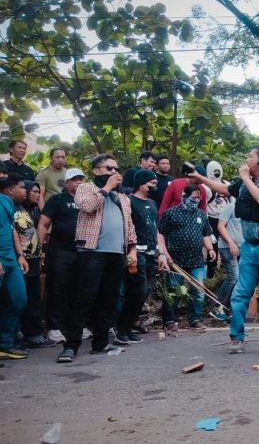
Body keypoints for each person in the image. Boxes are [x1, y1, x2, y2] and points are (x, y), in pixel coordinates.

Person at [191, 145, 259, 357]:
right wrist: (200, 178)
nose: (247, 159)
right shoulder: (243, 183)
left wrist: (246, 179)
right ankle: (236, 338)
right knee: (240, 295)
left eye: (251, 156)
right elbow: (224, 190)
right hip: (249, 247)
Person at [58, 154, 137, 363]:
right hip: (92, 252)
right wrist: (106, 188)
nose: (114, 172)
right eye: (109, 168)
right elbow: (86, 206)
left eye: (115, 168)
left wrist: (132, 249)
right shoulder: (86, 189)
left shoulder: (123, 198)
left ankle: (100, 342)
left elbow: (129, 225)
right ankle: (71, 346)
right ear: (96, 171)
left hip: (117, 254)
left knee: (109, 299)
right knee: (85, 298)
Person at [116, 170, 164, 344]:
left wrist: (160, 253)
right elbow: (127, 228)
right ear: (142, 184)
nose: (155, 187)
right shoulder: (129, 201)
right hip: (135, 253)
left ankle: (127, 327)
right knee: (136, 290)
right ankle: (120, 328)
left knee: (144, 293)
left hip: (152, 254)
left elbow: (155, 229)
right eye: (152, 183)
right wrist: (131, 251)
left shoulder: (152, 203)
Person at [158, 185, 214, 333]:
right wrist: (164, 254)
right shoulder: (171, 214)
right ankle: (169, 320)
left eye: (199, 197)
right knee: (174, 291)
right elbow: (160, 234)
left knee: (198, 291)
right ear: (184, 196)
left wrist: (210, 249)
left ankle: (195, 319)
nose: (197, 200)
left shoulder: (201, 215)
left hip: (196, 260)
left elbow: (205, 234)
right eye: (194, 197)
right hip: (175, 260)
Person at [37, 168, 84, 344]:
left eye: (81, 179)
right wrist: (37, 250)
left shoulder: (88, 201)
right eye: (74, 179)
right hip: (61, 251)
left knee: (80, 289)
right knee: (58, 288)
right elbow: (43, 224)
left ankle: (75, 325)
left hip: (83, 251)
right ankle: (55, 327)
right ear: (66, 183)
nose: (78, 182)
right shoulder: (57, 200)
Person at [16, 181, 53, 348]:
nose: (38, 195)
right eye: (34, 191)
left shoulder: (36, 210)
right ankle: (19, 334)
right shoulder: (14, 208)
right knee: (20, 299)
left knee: (35, 298)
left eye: (39, 192)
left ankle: (34, 334)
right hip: (19, 259)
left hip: (35, 259)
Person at [0, 176, 29, 360]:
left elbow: (11, 230)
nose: (25, 191)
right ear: (10, 190)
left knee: (19, 299)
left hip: (11, 259)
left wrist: (20, 255)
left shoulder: (9, 204)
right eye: (22, 187)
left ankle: (5, 345)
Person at [213, 199, 243, 321]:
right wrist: (231, 242)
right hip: (227, 247)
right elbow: (220, 227)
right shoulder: (230, 207)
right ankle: (216, 306)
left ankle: (229, 310)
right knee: (233, 277)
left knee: (240, 280)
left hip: (243, 248)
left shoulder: (249, 208)